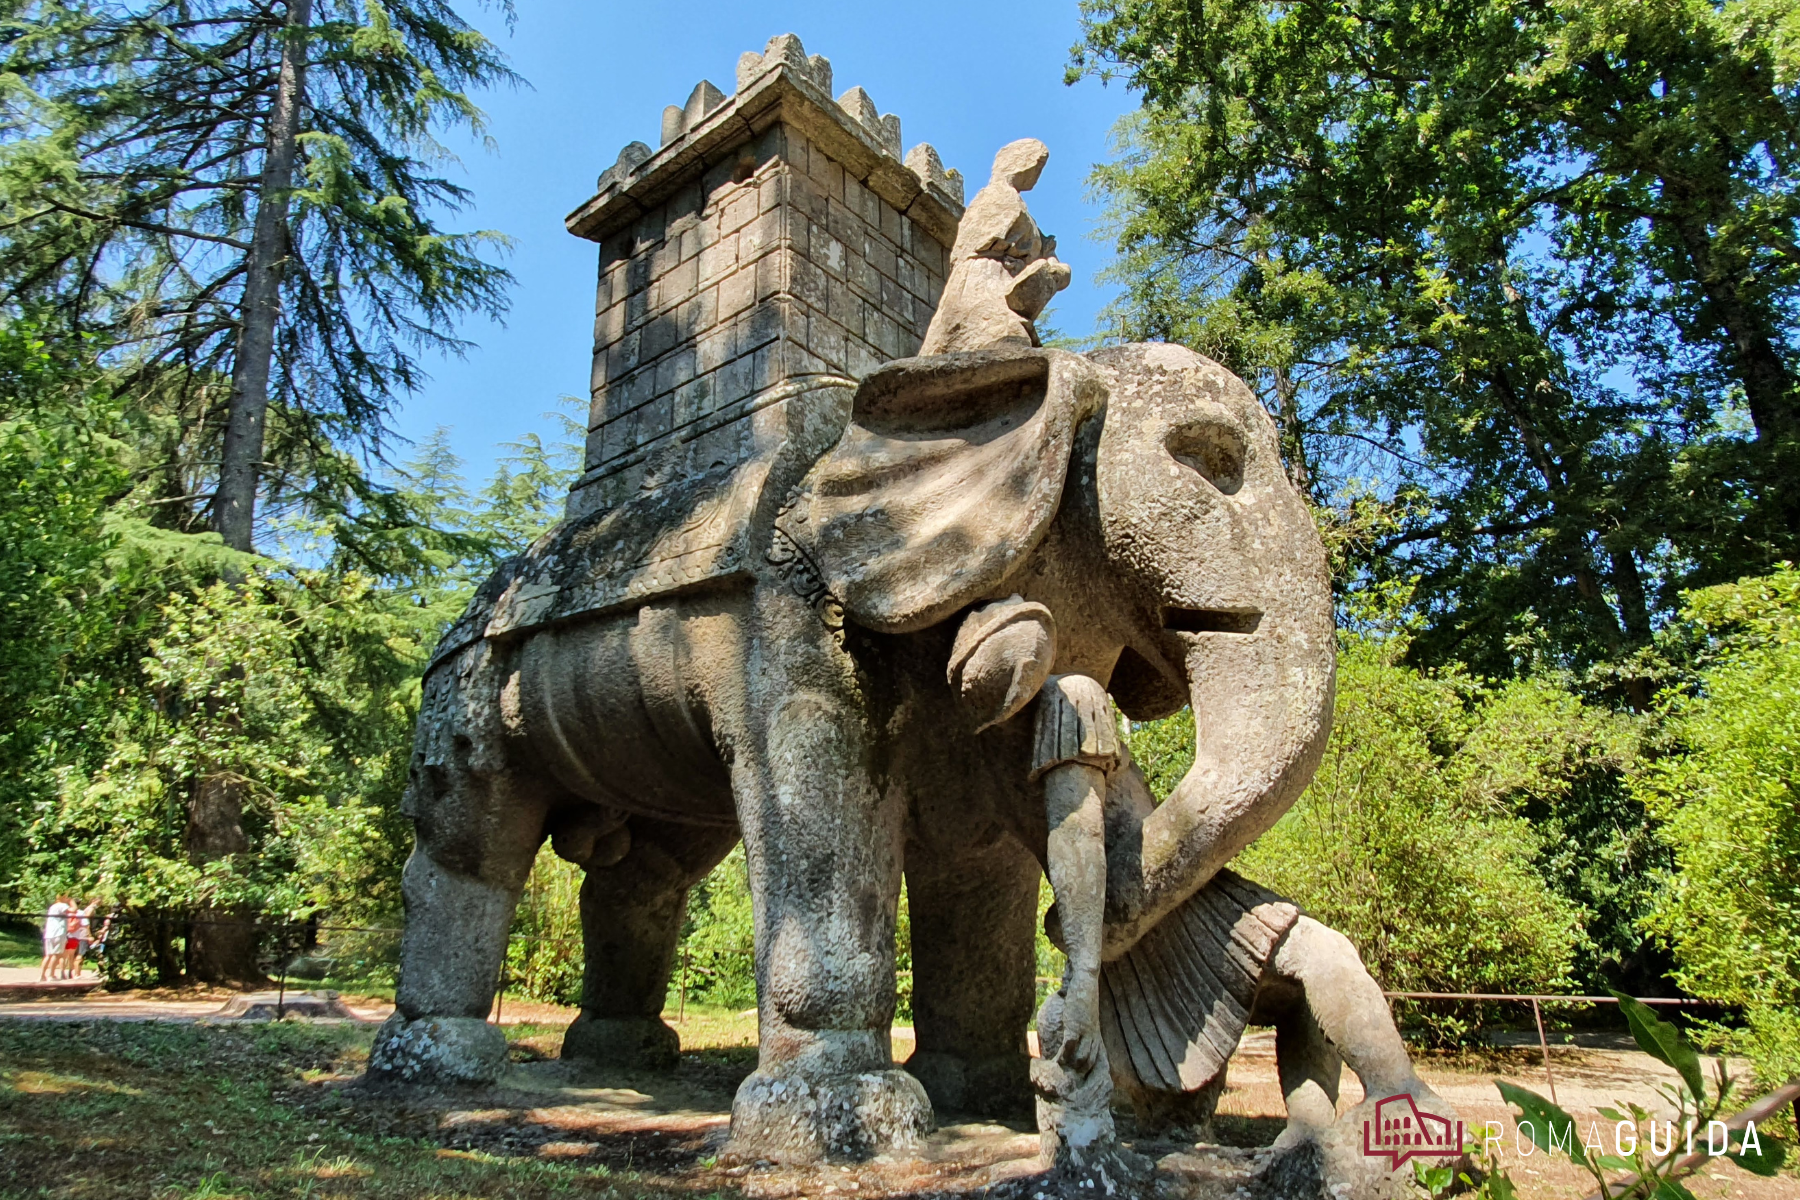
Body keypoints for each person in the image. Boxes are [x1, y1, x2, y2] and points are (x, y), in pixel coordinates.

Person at [39, 894, 72, 981]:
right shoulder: (63, 905)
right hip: (59, 933)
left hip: (49, 933)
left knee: (48, 955)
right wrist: (71, 902)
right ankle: (51, 975)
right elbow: (74, 910)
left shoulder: (53, 906)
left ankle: (42, 975)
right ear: (64, 897)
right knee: (56, 955)